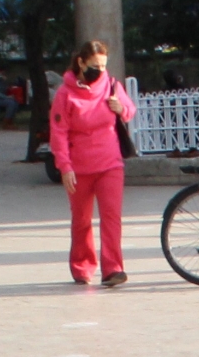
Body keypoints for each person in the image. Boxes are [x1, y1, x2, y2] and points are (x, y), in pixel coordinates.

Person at [50, 39, 135, 288]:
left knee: (111, 217)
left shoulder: (111, 85)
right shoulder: (65, 94)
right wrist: (65, 167)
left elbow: (130, 110)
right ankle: (82, 266)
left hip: (110, 163)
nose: (100, 70)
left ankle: (113, 269)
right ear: (81, 62)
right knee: (81, 219)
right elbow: (58, 133)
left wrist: (121, 108)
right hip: (79, 167)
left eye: (103, 65)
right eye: (95, 65)